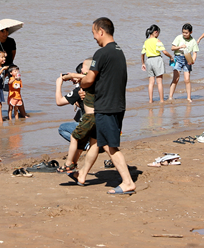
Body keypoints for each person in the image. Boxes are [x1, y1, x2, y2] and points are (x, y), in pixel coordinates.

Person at [72, 17, 136, 195]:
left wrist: (80, 81)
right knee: (97, 141)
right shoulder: (119, 51)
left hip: (106, 106)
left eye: (94, 33)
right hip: (117, 104)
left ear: (101, 31)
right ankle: (82, 174)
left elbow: (89, 79)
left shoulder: (100, 54)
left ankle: (128, 182)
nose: (94, 37)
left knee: (109, 146)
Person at [140, 24, 173, 103]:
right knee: (159, 82)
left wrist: (143, 63)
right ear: (156, 32)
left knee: (151, 82)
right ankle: (161, 100)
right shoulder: (157, 41)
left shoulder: (146, 42)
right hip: (157, 60)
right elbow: (164, 52)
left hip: (149, 61)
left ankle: (150, 100)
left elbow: (142, 53)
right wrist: (171, 56)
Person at [170, 24, 199, 101]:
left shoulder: (193, 41)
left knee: (187, 80)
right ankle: (170, 97)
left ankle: (189, 98)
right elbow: (172, 48)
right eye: (183, 32)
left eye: (186, 33)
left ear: (191, 32)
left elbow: (195, 53)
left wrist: (193, 60)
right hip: (178, 58)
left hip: (187, 59)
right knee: (176, 79)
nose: (184, 34)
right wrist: (180, 47)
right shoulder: (179, 38)